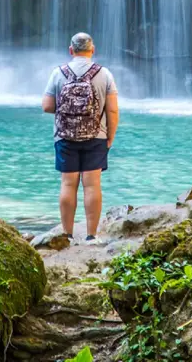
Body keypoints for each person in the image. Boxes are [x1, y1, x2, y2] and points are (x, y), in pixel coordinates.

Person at [42, 32, 119, 245]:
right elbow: (112, 111)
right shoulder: (104, 74)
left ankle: (66, 235)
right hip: (96, 136)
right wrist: (109, 137)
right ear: (92, 50)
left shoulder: (58, 73)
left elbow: (47, 106)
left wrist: (68, 111)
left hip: (65, 136)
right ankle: (91, 236)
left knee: (68, 185)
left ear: (71, 50)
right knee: (92, 185)